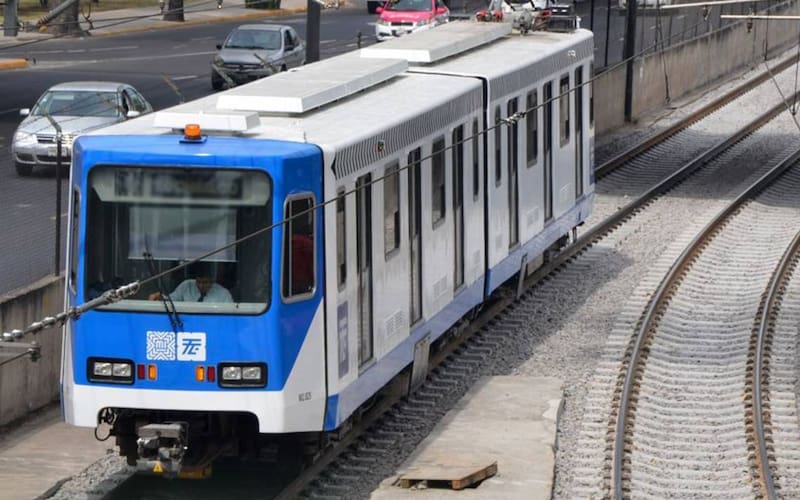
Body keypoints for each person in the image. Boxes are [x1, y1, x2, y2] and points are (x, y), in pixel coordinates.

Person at [149, 263, 233, 303]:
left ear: (211, 281)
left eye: (205, 282)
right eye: (198, 282)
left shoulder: (223, 294)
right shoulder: (187, 286)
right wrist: (160, 297)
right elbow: (171, 301)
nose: (201, 285)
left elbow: (230, 314)